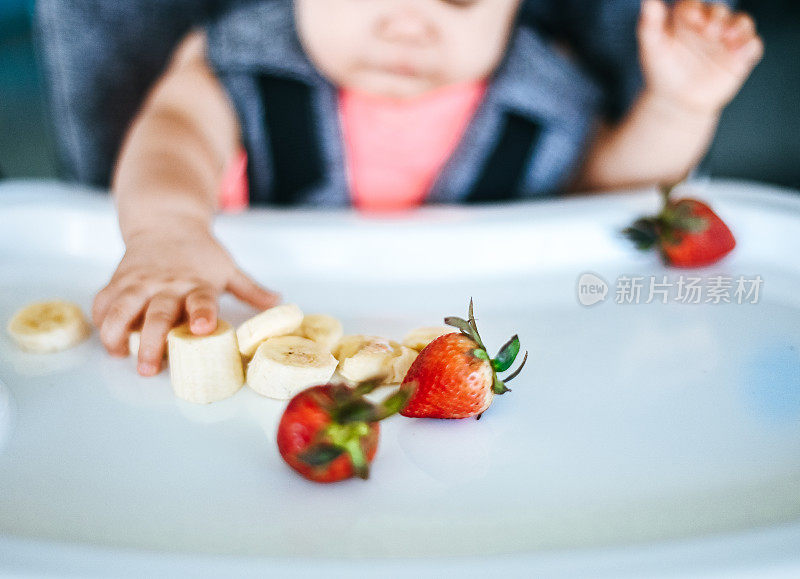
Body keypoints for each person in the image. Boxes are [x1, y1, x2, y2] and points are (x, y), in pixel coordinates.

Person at [92, 0, 762, 376]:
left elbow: (611, 194)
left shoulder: (540, 97)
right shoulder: (242, 65)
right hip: (264, 351)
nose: (409, 22)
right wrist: (169, 230)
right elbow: (174, 133)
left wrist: (677, 107)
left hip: (481, 366)